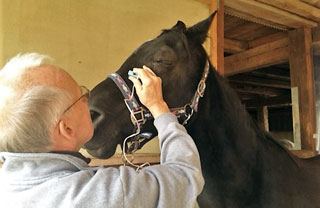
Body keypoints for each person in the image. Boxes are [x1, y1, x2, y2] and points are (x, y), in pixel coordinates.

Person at [0, 53, 204, 208]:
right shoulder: (108, 194)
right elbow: (185, 175)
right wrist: (159, 107)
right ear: (67, 129)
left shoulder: (7, 187)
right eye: (81, 96)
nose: (88, 100)